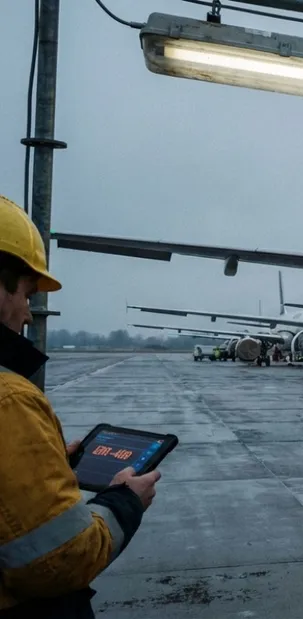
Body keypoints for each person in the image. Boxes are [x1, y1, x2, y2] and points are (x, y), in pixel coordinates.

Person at [0, 196, 161, 618]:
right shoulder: (9, 400)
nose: (29, 317)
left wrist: (45, 471)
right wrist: (124, 501)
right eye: (27, 294)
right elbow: (59, 559)